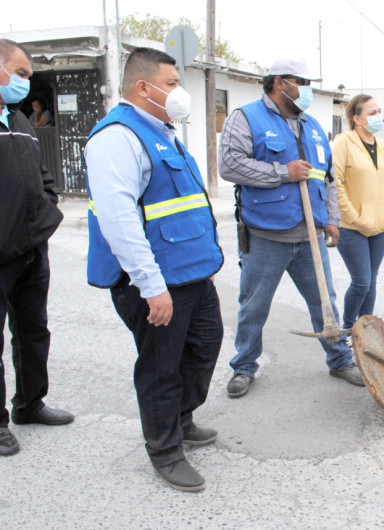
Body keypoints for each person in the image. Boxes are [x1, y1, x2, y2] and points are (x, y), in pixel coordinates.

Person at [84, 47, 225, 491]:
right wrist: (150, 286)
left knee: (204, 345)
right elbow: (120, 222)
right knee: (160, 367)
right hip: (155, 283)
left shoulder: (161, 130)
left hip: (191, 273)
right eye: (170, 83)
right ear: (142, 87)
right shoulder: (117, 138)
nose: (178, 93)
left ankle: (180, 418)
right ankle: (165, 451)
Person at [218, 56, 364, 398]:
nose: (307, 90)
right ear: (279, 82)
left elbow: (326, 178)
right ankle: (244, 367)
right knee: (253, 306)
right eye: (302, 82)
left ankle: (340, 359)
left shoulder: (312, 126)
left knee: (325, 304)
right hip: (266, 235)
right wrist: (283, 172)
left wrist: (331, 218)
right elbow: (230, 165)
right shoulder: (246, 118)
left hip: (309, 234)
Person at [0, 39, 72, 458]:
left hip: (31, 250)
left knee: (33, 332)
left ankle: (29, 404)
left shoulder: (18, 119)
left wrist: (49, 206)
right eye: (21, 72)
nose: (26, 82)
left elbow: (41, 175)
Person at [332, 94, 384, 338]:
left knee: (371, 281)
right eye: (372, 112)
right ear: (357, 119)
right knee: (361, 281)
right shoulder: (343, 143)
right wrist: (352, 215)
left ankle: (366, 332)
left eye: (378, 111)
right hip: (351, 227)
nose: (378, 116)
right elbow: (335, 183)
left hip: (382, 226)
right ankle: (349, 328)